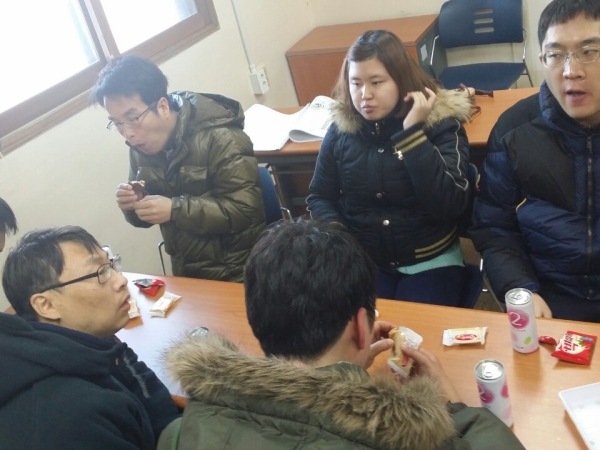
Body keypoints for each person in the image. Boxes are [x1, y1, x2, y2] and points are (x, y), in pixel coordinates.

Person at [158, 220, 525, 450]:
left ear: (256, 317)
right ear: (360, 325)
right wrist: (449, 408)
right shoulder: (409, 438)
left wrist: (347, 365)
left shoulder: (179, 434)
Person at [306, 30, 477, 306]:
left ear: (400, 79)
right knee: (355, 325)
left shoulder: (441, 124)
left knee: (412, 329)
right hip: (366, 259)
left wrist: (413, 136)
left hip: (430, 259)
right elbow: (320, 196)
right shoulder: (341, 131)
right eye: (356, 83)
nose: (365, 95)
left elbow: (450, 204)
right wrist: (340, 239)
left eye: (376, 82)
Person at [471, 0, 600, 322]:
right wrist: (520, 289)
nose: (571, 71)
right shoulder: (513, 130)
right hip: (549, 297)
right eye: (555, 55)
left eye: (589, 51)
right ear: (542, 60)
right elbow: (494, 227)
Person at [0, 226, 180, 449]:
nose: (121, 280)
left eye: (110, 265)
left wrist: (174, 431)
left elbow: (144, 385)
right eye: (99, 273)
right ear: (46, 305)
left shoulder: (96, 342)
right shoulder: (69, 420)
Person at [92, 55, 265, 282]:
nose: (128, 133)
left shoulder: (222, 138)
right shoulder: (140, 147)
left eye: (132, 118)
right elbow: (144, 219)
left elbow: (245, 211)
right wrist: (133, 205)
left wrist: (175, 210)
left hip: (241, 271)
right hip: (187, 273)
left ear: (163, 107)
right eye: (117, 124)